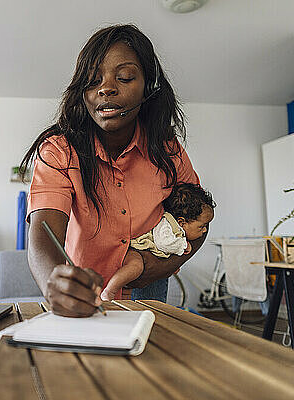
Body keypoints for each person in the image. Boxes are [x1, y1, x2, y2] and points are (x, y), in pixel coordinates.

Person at [20, 24, 207, 317]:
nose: (106, 88)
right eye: (93, 80)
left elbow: (199, 220)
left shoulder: (169, 152)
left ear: (148, 86)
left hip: (151, 288)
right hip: (83, 291)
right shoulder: (58, 151)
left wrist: (149, 267)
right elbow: (42, 234)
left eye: (125, 77)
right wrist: (53, 282)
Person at [101, 183, 216, 301]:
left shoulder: (178, 227)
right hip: (138, 248)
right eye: (201, 226)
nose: (205, 230)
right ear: (182, 222)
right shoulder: (167, 224)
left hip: (146, 252)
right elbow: (164, 243)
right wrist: (183, 245)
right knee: (135, 266)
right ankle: (110, 290)